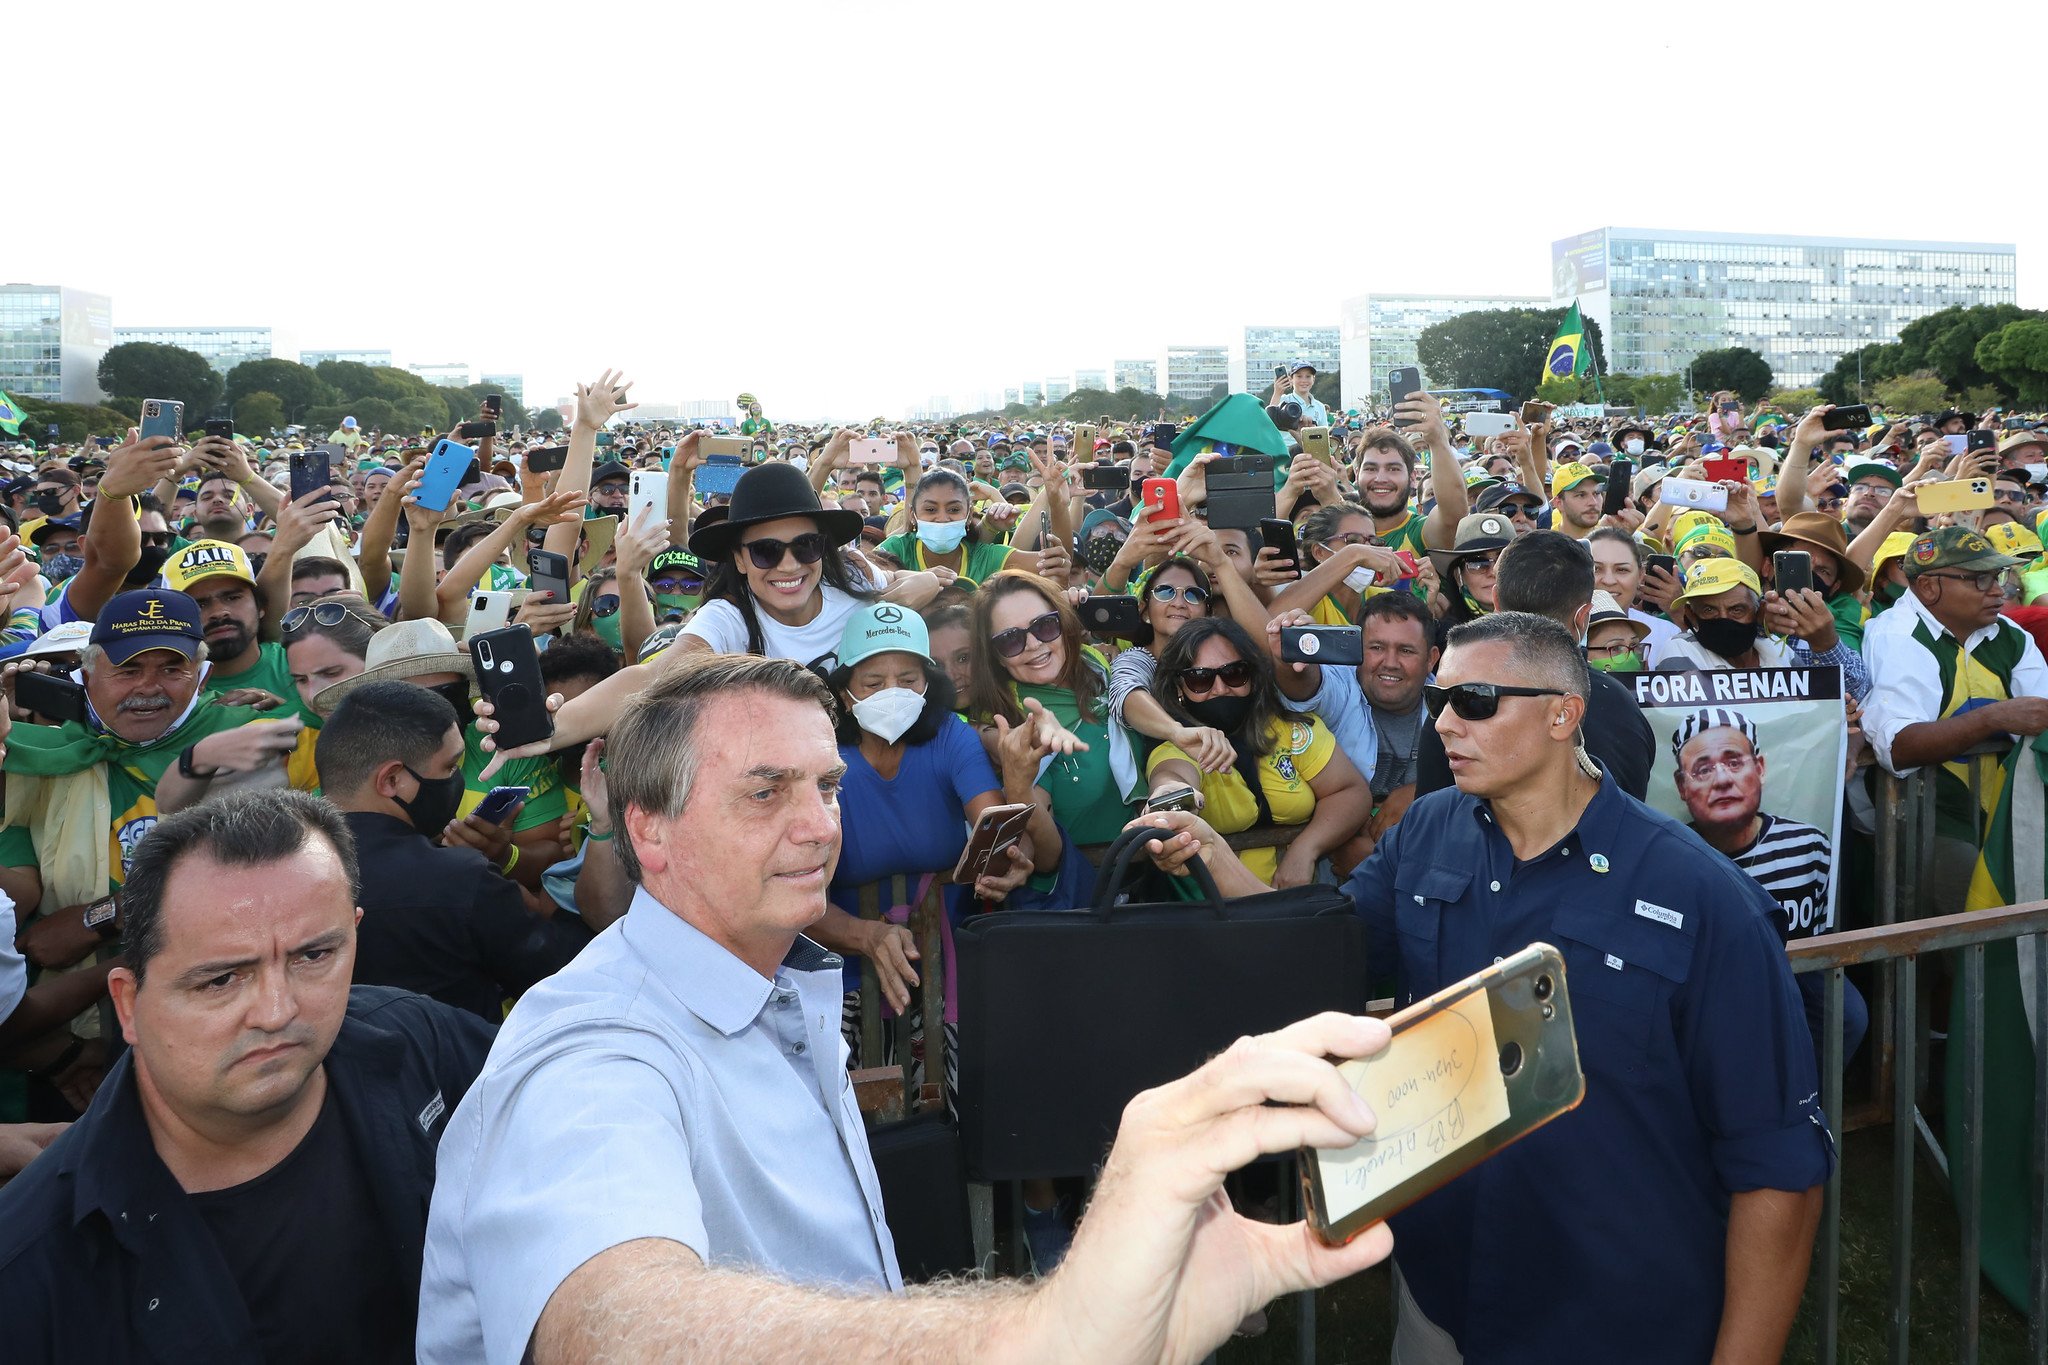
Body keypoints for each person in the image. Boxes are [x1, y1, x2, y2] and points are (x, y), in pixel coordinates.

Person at [417, 652, 1398, 1365]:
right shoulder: (591, 1050)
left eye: (827, 785)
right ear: (650, 829)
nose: (817, 827)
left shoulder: (770, 987)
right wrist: (1048, 1334)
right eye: (765, 793)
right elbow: (617, 1329)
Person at [1129, 612, 1830, 1362]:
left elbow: (1778, 1165)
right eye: (1439, 702)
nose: (1446, 725)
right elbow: (1325, 950)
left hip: (1615, 1312)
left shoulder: (1706, 899)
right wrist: (1213, 857)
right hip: (1442, 1291)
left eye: (1477, 701)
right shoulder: (1430, 829)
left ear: (1564, 714)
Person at [0, 791, 496, 1361]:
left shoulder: (416, 1041)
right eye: (221, 980)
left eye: (314, 956)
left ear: (355, 934)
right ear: (129, 1004)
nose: (277, 1010)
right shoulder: (29, 1275)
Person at [318, 681, 600, 1020]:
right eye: (450, 767)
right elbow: (567, 974)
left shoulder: (284, 874)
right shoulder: (459, 879)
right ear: (392, 780)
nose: (457, 782)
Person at [1861, 526, 2048, 899]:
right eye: (1979, 579)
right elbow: (1900, 747)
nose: (1997, 591)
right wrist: (1992, 718)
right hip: (1930, 818)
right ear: (1929, 587)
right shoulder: (1897, 636)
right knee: (1973, 927)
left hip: (2005, 811)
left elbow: (2040, 713)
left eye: (1996, 577)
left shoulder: (2011, 634)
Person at [1415, 530, 1656, 801]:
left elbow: (1432, 823)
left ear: (1496, 601)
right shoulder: (1621, 705)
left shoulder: (1453, 703)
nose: (1446, 726)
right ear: (1583, 617)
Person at [1144, 618, 1370, 887]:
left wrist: (1305, 850)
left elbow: (1349, 792)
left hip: (1304, 903)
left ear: (1252, 675)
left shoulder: (1291, 731)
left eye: (1234, 673)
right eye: (1200, 679)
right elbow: (1171, 779)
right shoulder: (1177, 749)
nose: (1220, 688)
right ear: (1179, 688)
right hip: (1218, 914)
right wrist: (1169, 797)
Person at [965, 570, 1142, 849]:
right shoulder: (1008, 721)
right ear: (994, 656)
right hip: (1087, 881)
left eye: (1045, 625)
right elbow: (1041, 850)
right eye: (1010, 639)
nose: (1034, 644)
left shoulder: (1097, 666)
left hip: (1151, 864)